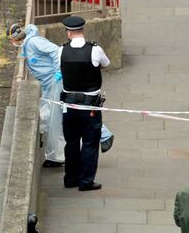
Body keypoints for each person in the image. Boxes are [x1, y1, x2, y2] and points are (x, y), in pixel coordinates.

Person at [6, 23, 114, 168]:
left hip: (55, 82)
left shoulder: (33, 43)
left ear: (14, 39)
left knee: (65, 113)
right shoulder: (29, 44)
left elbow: (56, 52)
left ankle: (103, 135)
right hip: (50, 83)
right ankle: (58, 155)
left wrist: (58, 72)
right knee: (59, 115)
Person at [59, 16, 110, 191]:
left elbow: (59, 68)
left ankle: (70, 179)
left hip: (69, 105)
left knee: (71, 142)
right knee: (89, 143)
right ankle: (86, 181)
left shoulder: (61, 51)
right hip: (90, 106)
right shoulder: (95, 50)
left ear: (68, 32)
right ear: (82, 30)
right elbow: (106, 64)